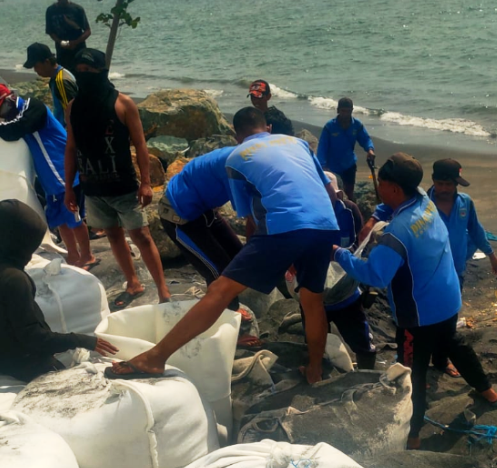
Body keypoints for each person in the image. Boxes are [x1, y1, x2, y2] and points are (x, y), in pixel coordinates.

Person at [110, 106, 339, 384]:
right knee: (312, 301)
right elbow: (329, 192)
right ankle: (314, 371)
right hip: (326, 222)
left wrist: (281, 252)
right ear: (267, 128)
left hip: (284, 226)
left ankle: (154, 358)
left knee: (220, 288)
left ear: (236, 135)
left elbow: (252, 220)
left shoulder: (238, 156)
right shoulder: (297, 142)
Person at [333, 153, 497, 450]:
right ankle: (488, 392)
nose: (378, 190)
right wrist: (375, 216)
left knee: (412, 372)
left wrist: (339, 254)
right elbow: (389, 205)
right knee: (452, 343)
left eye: (382, 185)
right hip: (448, 298)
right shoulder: (426, 200)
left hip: (419, 315)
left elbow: (375, 275)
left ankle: (412, 436)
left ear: (395, 188)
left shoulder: (398, 233)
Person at [0, 199, 118, 382]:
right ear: (19, 242)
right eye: (30, 245)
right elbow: (33, 338)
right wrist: (83, 340)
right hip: (28, 367)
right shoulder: (13, 279)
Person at [64, 49, 171, 307]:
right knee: (112, 235)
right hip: (92, 188)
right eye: (79, 70)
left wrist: (146, 183)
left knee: (142, 236)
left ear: (101, 71)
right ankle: (133, 283)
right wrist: (69, 187)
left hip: (124, 187)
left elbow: (141, 145)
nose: (83, 75)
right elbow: (71, 148)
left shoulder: (123, 104)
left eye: (88, 70)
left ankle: (163, 291)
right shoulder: (73, 107)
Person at [0, 83, 96, 270]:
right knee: (59, 219)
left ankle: (87, 255)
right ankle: (73, 255)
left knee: (74, 216)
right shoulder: (16, 115)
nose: (0, 116)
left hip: (63, 169)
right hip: (49, 177)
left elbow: (15, 130)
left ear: (8, 100)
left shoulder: (33, 108)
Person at [158, 146, 245, 313]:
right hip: (178, 214)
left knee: (238, 257)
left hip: (203, 209)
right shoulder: (240, 165)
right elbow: (253, 220)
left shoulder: (249, 155)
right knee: (218, 271)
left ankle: (227, 308)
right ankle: (228, 315)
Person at [321, 171, 376, 369]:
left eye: (329, 194)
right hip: (315, 296)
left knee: (363, 343)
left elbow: (360, 246)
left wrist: (338, 255)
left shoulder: (349, 210)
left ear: (338, 194)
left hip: (346, 292)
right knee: (317, 343)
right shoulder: (304, 213)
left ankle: (366, 375)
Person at [316, 97, 375, 201]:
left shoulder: (357, 125)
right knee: (335, 194)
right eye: (343, 111)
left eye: (348, 111)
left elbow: (365, 139)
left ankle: (351, 212)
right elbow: (322, 148)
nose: (345, 114)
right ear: (338, 110)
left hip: (349, 165)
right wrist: (322, 166)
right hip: (333, 167)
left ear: (352, 110)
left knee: (349, 193)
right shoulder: (330, 127)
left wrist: (370, 149)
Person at [23, 42, 77, 126]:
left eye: (36, 66)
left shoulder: (61, 81)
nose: (35, 70)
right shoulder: (59, 74)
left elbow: (72, 113)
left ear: (47, 62)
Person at [45, 0, 91, 73]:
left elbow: (87, 31)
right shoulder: (51, 11)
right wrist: (61, 42)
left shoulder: (77, 9)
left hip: (79, 50)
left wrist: (75, 42)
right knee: (65, 76)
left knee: (82, 75)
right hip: (62, 52)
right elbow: (50, 32)